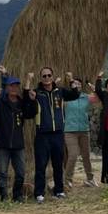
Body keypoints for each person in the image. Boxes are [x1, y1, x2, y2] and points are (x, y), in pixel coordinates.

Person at [29, 67, 81, 204]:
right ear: (41, 78)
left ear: (52, 76)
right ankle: (39, 193)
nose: (46, 78)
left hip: (57, 133)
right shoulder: (37, 92)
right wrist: (31, 99)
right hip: (42, 134)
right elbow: (29, 110)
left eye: (49, 75)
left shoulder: (60, 91)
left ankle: (59, 190)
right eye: (44, 76)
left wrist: (71, 81)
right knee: (41, 165)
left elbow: (75, 94)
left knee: (58, 164)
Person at [0, 75, 38, 201]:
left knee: (20, 172)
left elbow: (30, 114)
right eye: (11, 86)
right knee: (3, 172)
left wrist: (32, 101)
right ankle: (4, 196)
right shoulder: (1, 101)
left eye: (16, 86)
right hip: (2, 143)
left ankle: (17, 195)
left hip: (18, 144)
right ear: (6, 87)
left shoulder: (21, 103)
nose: (14, 88)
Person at [63, 74, 98, 188]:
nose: (77, 85)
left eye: (79, 84)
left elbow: (98, 98)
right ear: (71, 85)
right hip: (70, 131)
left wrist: (94, 88)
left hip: (84, 131)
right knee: (72, 155)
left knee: (86, 156)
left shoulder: (86, 97)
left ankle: (90, 179)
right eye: (75, 84)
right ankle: (67, 180)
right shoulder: (66, 98)